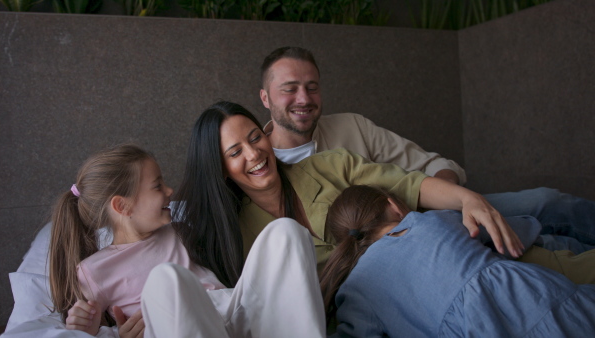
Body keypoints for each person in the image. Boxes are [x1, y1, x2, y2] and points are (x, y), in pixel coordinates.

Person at [258, 46, 595, 254]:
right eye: (290, 89)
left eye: (312, 87)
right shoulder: (257, 165)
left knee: (547, 201)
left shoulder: (352, 128)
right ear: (266, 98)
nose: (303, 99)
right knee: (545, 248)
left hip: (435, 216)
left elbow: (436, 166)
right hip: (398, 255)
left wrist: (443, 206)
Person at [178, 101, 526, 278]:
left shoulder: (327, 165)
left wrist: (468, 198)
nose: (254, 154)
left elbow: (410, 185)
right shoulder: (235, 238)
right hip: (378, 307)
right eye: (235, 152)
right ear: (220, 170)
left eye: (255, 137)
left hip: (429, 253)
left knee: (538, 242)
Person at [47, 144, 325, 338]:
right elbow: (87, 328)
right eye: (157, 186)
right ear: (123, 206)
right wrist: (92, 329)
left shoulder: (179, 231)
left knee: (286, 232)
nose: (169, 190)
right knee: (166, 278)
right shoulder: (94, 270)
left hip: (230, 311)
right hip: (185, 327)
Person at [319, 185, 595, 337]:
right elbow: (517, 232)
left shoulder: (357, 289)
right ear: (393, 205)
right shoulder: (430, 221)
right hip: (537, 303)